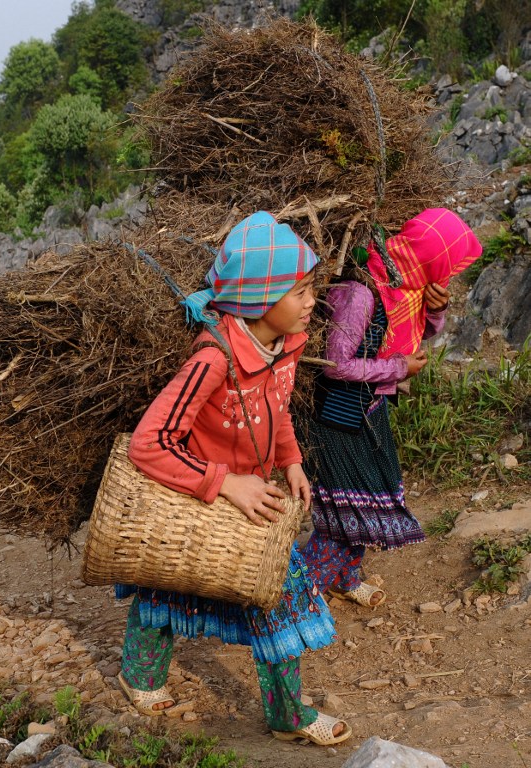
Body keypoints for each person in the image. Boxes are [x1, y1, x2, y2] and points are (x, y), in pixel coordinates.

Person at [114, 211, 351, 746]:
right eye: (299, 292)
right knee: (168, 587)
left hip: (252, 495)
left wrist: (289, 459)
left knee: (274, 597)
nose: (312, 301)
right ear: (256, 298)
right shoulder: (212, 359)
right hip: (206, 496)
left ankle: (285, 714)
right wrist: (224, 483)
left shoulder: (284, 345)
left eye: (311, 289)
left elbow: (280, 408)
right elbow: (148, 444)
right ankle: (141, 675)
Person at [302, 208, 482, 608]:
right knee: (347, 507)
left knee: (362, 501)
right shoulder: (361, 291)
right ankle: (296, 594)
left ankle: (344, 579)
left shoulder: (404, 284)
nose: (447, 275)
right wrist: (400, 367)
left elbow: (421, 329)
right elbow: (336, 365)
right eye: (447, 266)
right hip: (337, 416)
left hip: (368, 407)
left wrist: (437, 309)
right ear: (430, 258)